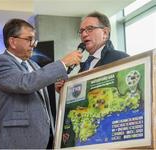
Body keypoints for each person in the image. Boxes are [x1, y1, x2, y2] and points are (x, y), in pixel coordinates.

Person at [0, 18, 82, 149]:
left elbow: (35, 88)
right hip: (16, 142)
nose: (34, 44)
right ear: (13, 41)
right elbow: (25, 83)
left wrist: (59, 87)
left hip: (45, 140)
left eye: (34, 40)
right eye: (29, 39)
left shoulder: (34, 65)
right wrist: (63, 63)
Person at [55, 11, 129, 147]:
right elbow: (85, 99)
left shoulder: (120, 58)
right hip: (87, 136)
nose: (84, 34)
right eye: (81, 31)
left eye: (89, 29)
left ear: (105, 33)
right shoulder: (85, 66)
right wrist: (65, 91)